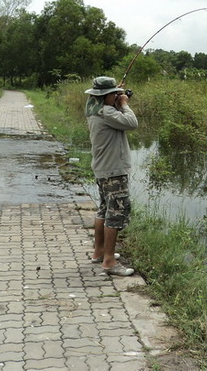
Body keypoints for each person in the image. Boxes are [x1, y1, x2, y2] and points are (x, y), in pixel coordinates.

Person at [84, 76, 138, 276]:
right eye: (113, 94)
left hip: (101, 168)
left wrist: (113, 97)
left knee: (104, 210)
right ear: (106, 96)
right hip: (114, 170)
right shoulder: (108, 113)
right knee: (115, 214)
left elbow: (104, 104)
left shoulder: (93, 109)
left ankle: (99, 252)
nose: (117, 96)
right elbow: (132, 122)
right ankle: (109, 262)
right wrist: (123, 104)